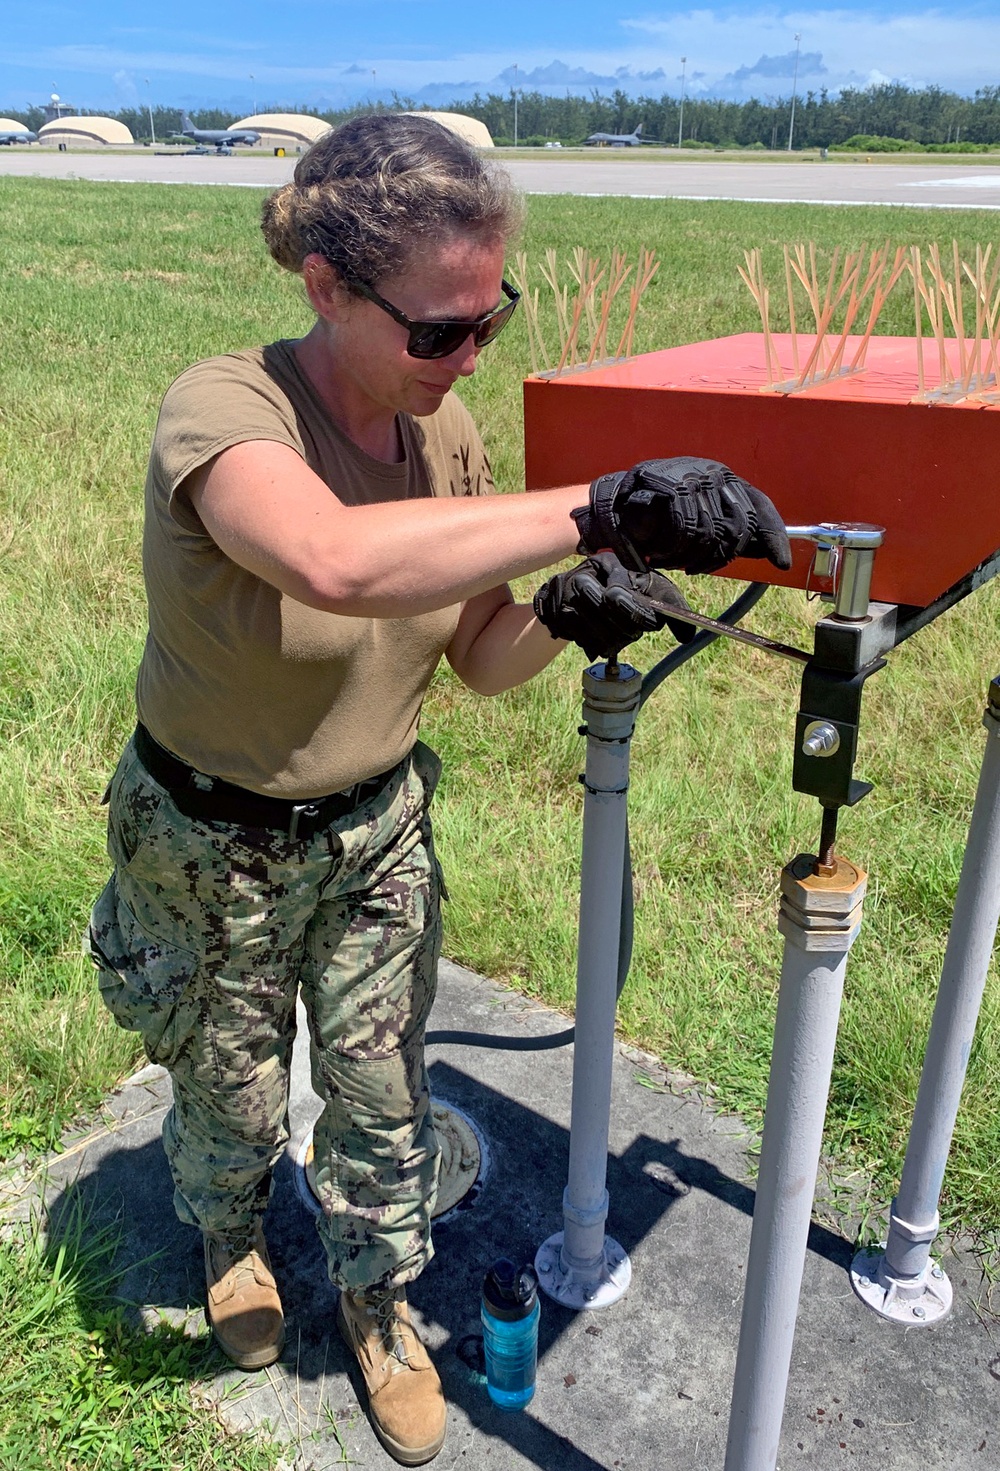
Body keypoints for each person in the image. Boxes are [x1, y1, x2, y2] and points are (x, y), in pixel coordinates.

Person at [86, 113, 790, 1467]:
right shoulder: (224, 408)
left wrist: (580, 613)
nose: (469, 359)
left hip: (372, 837)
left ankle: (374, 1303)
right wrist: (608, 502)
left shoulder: (447, 428)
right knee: (226, 1088)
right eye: (439, 332)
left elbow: (475, 653)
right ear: (327, 288)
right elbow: (335, 562)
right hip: (207, 842)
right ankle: (234, 1245)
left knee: (379, 1098)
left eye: (490, 321)